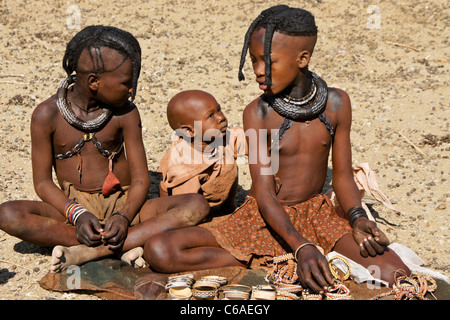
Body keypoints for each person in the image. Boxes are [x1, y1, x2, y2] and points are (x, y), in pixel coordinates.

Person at [143, 6, 410, 293]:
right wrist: (302, 246)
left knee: (397, 274)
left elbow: (343, 175)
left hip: (316, 215)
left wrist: (357, 218)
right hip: (263, 218)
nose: (258, 71)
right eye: (254, 61)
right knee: (160, 249)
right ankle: (278, 259)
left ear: (302, 58)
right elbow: (265, 192)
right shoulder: (257, 114)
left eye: (268, 62)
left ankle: (278, 259)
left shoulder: (337, 104)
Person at [0, 26, 209, 272]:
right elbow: (43, 183)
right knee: (8, 214)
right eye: (125, 83)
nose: (132, 90)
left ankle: (90, 250)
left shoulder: (126, 113)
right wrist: (76, 215)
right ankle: (127, 241)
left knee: (196, 205)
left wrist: (123, 216)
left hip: (126, 205)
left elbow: (141, 178)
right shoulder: (46, 115)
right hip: (73, 208)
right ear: (94, 82)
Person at [158, 90, 247, 214]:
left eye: (219, 110)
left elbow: (252, 140)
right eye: (210, 116)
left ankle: (228, 205)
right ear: (189, 131)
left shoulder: (223, 138)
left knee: (229, 163)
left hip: (217, 189)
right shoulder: (185, 168)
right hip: (185, 201)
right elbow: (186, 205)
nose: (221, 117)